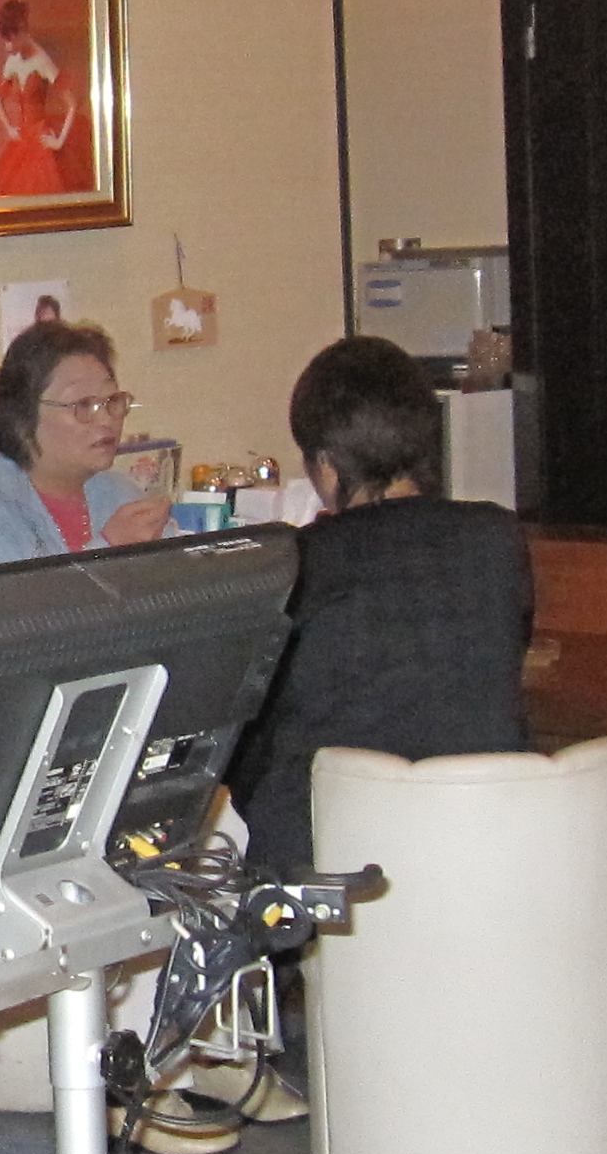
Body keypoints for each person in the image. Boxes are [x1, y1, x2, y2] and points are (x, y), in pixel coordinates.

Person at [223, 333, 534, 875]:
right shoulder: (497, 539)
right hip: (484, 855)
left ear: (327, 466)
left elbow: (251, 740)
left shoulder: (299, 562)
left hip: (330, 869)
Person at [0, 319, 171, 567]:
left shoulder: (120, 492)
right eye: (83, 404)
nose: (106, 419)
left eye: (112, 400)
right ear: (22, 418)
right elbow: (25, 593)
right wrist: (109, 546)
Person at [0, 0, 85, 198]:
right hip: (22, 140)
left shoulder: (42, 61)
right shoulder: (12, 61)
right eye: (5, 40)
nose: (7, 46)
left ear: (22, 31)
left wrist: (59, 141)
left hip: (40, 139)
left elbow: (72, 104)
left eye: (11, 39)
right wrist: (10, 128)